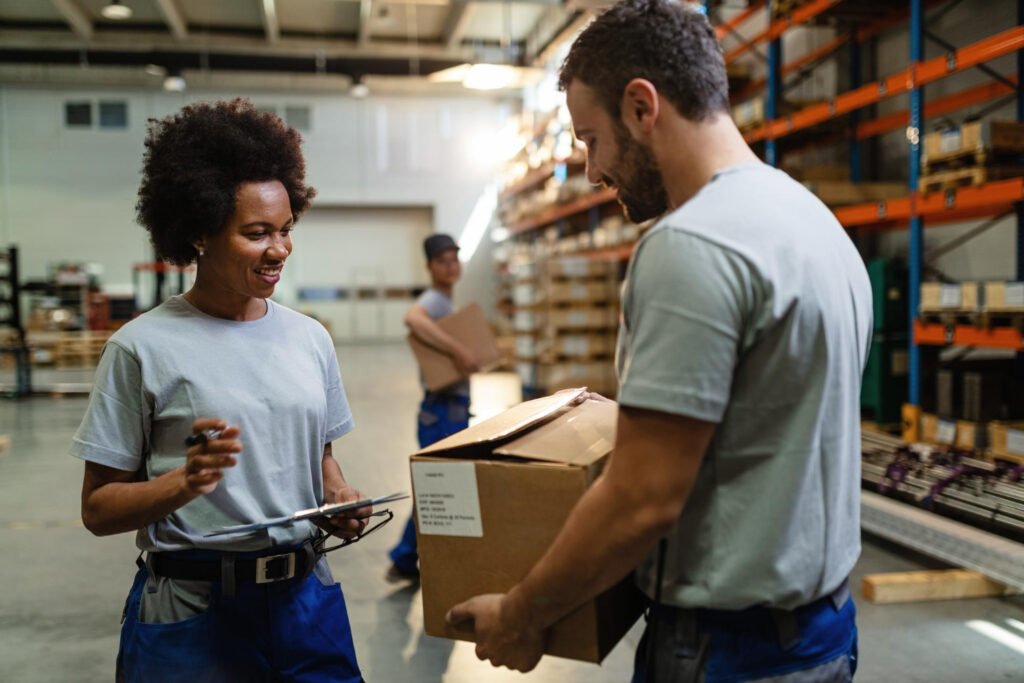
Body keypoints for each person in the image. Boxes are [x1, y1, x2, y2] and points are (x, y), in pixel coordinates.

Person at [448, 1, 871, 681]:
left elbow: (642, 498)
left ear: (642, 108)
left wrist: (523, 611)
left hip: (728, 653)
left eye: (590, 139)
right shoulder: (813, 222)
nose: (589, 169)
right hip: (820, 634)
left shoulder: (691, 246)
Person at [73, 98, 368, 683]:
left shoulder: (310, 339)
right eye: (257, 233)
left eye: (285, 230)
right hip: (193, 613)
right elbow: (98, 508)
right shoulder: (141, 348)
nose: (279, 249)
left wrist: (336, 494)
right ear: (201, 232)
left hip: (306, 601)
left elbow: (321, 452)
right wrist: (185, 482)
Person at [387, 233, 478, 580]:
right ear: (429, 266)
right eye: (442, 261)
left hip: (450, 407)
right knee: (438, 487)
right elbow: (413, 318)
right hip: (441, 410)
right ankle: (405, 557)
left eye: (454, 259)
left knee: (441, 485)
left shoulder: (446, 300)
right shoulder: (434, 300)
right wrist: (458, 350)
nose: (450, 266)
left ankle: (409, 558)